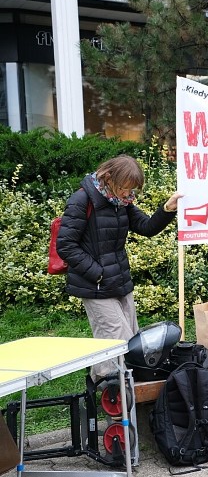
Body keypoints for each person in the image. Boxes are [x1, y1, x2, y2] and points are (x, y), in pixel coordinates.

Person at [56, 154, 182, 378]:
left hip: (121, 282)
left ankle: (104, 389)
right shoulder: (81, 200)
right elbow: (65, 246)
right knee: (119, 343)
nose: (128, 193)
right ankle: (115, 397)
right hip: (96, 286)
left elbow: (146, 227)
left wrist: (167, 209)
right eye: (125, 187)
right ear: (109, 177)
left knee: (130, 343)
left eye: (132, 189)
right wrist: (97, 274)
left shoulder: (121, 202)